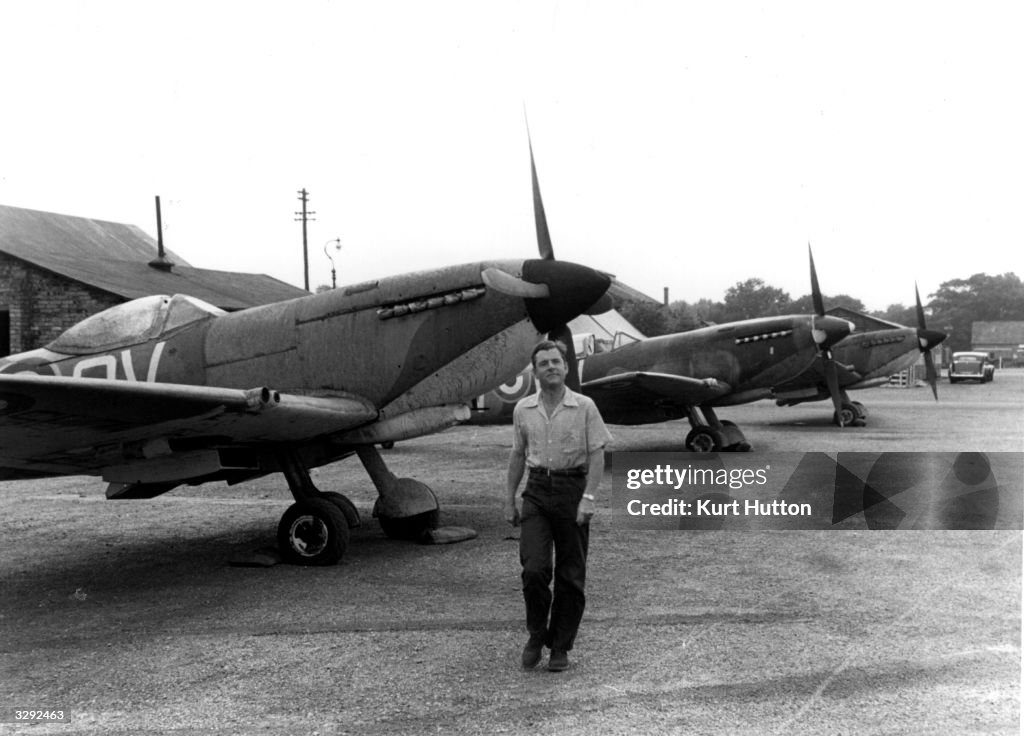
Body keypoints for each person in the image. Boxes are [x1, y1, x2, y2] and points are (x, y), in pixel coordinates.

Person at [505, 339, 612, 672]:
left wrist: (589, 498)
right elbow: (518, 454)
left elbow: (597, 453)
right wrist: (509, 498)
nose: (551, 367)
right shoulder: (522, 409)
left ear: (566, 367)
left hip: (572, 490)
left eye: (556, 361)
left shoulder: (585, 406)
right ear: (535, 371)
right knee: (534, 570)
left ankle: (560, 647)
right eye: (543, 363)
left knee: (571, 575)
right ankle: (537, 636)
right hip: (536, 490)